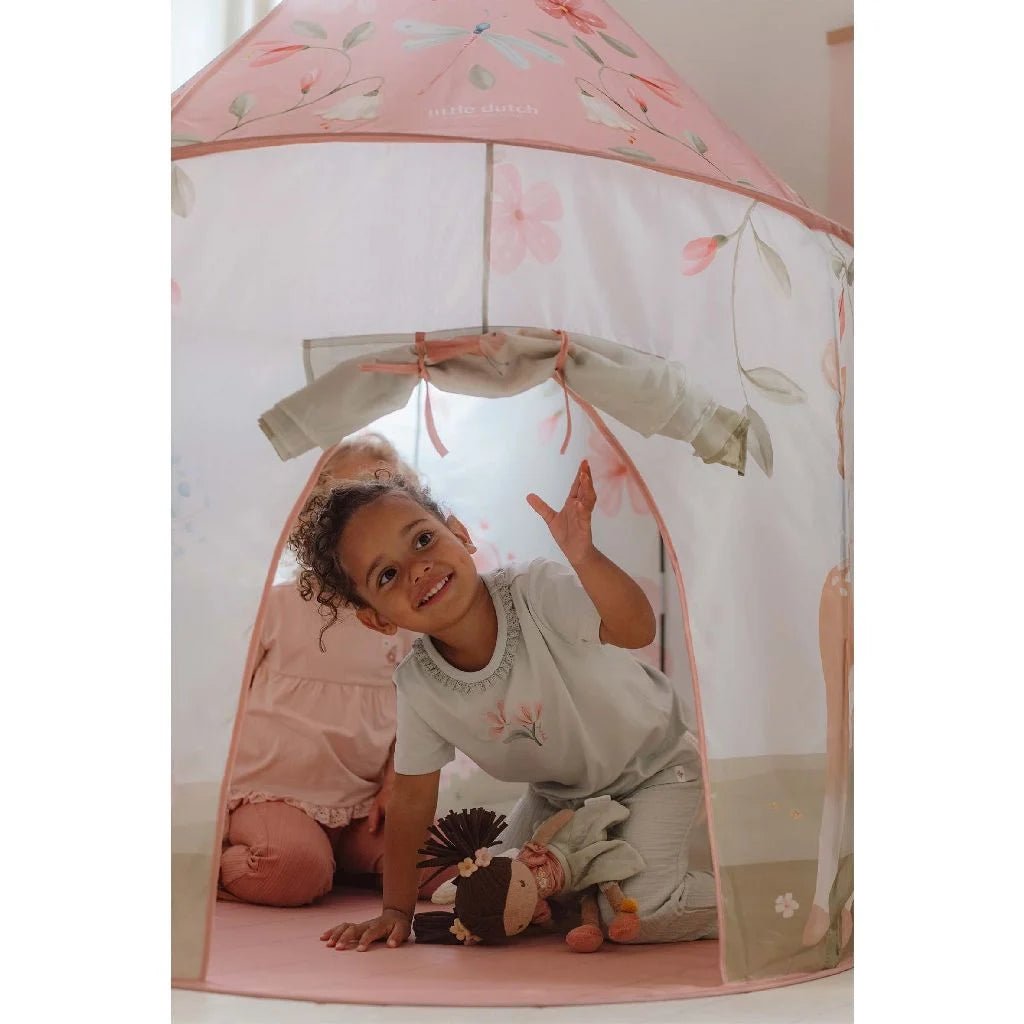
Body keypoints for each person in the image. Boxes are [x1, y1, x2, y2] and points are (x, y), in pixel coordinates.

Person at [288, 459, 718, 950]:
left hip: (656, 768)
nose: (417, 568)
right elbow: (411, 801)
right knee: (488, 898)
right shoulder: (419, 685)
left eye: (423, 540)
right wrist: (396, 910)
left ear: (460, 534)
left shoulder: (535, 591)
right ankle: (586, 898)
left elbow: (637, 629)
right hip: (560, 798)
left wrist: (585, 557)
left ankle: (734, 897)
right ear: (377, 619)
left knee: (643, 915)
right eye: (387, 575)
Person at [220, 434, 446, 907]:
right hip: (271, 794)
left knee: (439, 861)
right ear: (313, 523)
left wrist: (394, 785)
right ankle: (216, 862)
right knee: (289, 869)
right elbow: (224, 704)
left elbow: (418, 714)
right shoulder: (278, 606)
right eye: (352, 507)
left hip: (360, 806)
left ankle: (339, 860)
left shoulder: (405, 621)